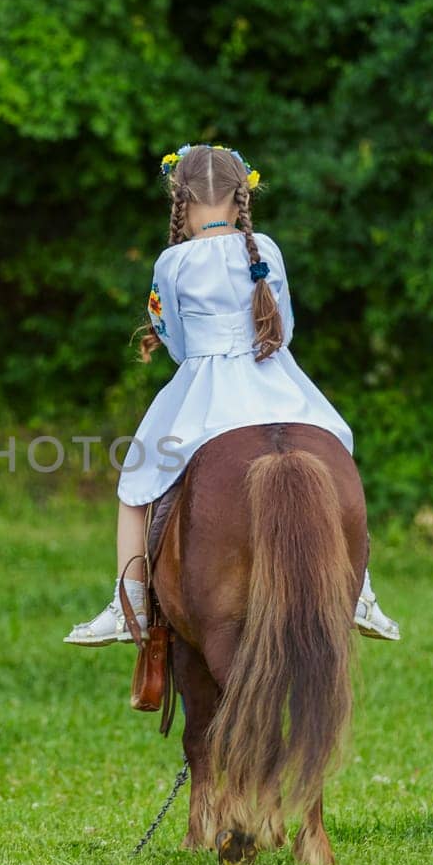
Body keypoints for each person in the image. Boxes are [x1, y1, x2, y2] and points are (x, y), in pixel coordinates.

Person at [64, 142, 401, 646]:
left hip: (206, 392)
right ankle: (360, 593)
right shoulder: (266, 250)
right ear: (242, 195)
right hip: (276, 380)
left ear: (181, 197)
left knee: (136, 481)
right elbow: (282, 327)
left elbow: (174, 338)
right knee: (339, 452)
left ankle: (128, 602)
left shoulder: (172, 262)